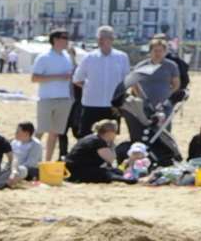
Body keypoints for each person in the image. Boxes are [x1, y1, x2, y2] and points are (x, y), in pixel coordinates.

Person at [72, 26, 131, 138]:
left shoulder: (122, 57)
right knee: (87, 137)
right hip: (91, 104)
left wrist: (119, 101)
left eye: (105, 37)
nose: (102, 40)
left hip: (112, 106)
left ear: (112, 39)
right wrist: (90, 88)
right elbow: (77, 79)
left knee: (109, 138)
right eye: (100, 38)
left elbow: (125, 82)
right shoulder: (88, 57)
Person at [123, 36, 181, 144]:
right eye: (155, 50)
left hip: (164, 105)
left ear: (165, 52)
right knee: (145, 131)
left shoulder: (171, 66)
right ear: (150, 51)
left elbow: (176, 84)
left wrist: (168, 96)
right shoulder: (141, 66)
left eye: (161, 51)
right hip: (145, 106)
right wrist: (141, 97)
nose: (158, 53)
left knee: (164, 131)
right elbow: (134, 84)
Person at [30, 29, 77, 160]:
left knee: (55, 133)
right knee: (40, 131)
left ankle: (47, 161)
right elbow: (34, 78)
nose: (67, 40)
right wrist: (58, 77)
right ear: (55, 40)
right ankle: (30, 159)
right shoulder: (44, 57)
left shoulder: (67, 57)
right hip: (46, 98)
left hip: (64, 99)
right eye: (64, 37)